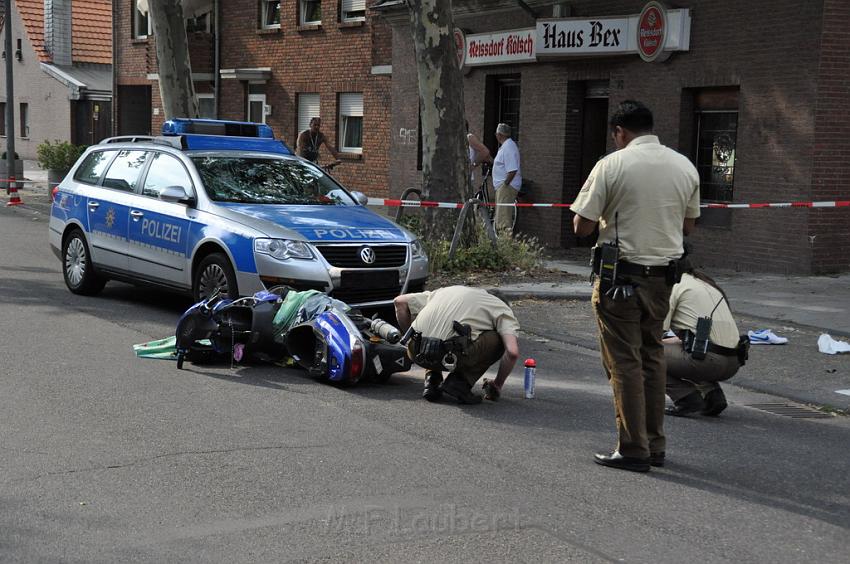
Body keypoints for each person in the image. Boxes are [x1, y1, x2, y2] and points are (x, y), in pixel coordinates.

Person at [571, 100, 700, 473]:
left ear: (620, 132)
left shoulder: (611, 165)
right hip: (663, 279)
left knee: (624, 361)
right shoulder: (684, 166)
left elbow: (581, 226)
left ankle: (632, 448)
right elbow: (689, 226)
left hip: (619, 280)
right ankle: (655, 443)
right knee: (653, 355)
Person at [394, 286, 520, 405]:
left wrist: (413, 340)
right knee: (499, 339)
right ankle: (459, 383)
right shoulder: (501, 308)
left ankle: (432, 379)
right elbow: (512, 352)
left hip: (417, 352)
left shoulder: (445, 291)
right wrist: (497, 385)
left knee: (438, 329)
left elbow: (400, 302)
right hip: (451, 356)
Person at [662, 265, 748, 417]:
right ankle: (713, 396)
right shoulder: (705, 284)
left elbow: (655, 331)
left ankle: (686, 398)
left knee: (641, 353)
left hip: (707, 362)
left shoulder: (673, 285)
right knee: (689, 351)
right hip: (733, 362)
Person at [492, 123, 522, 234]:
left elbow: (512, 169)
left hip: (506, 187)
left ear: (499, 135)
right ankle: (504, 245)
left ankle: (506, 246)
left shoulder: (508, 148)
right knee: (501, 218)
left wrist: (505, 184)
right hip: (504, 187)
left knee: (503, 221)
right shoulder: (507, 146)